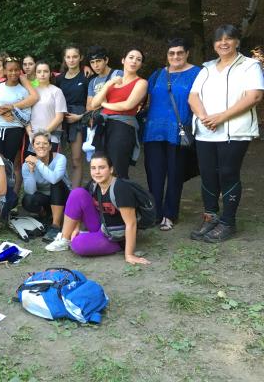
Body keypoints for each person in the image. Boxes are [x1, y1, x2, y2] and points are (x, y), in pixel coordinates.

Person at [188, 24, 264, 242]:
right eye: (219, 40)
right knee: (208, 174)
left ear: (237, 42)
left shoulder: (250, 66)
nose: (223, 43)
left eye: (228, 39)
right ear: (214, 44)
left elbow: (254, 97)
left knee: (228, 173)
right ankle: (210, 217)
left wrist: (220, 117)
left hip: (235, 131)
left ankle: (228, 222)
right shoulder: (207, 68)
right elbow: (193, 97)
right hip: (205, 132)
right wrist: (204, 117)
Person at [45, 152, 150, 266]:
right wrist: (75, 226)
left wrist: (129, 254)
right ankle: (65, 239)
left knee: (78, 244)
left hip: (116, 237)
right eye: (93, 168)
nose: (97, 172)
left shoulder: (120, 188)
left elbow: (131, 223)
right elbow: (79, 205)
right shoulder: (94, 184)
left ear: (111, 169)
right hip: (101, 225)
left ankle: (108, 244)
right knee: (77, 193)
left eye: (102, 167)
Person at [143, 39, 200, 231]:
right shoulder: (158, 74)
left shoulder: (197, 73)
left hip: (178, 132)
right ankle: (155, 213)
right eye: (171, 53)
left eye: (180, 53)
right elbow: (140, 91)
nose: (175, 56)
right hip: (153, 131)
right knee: (154, 175)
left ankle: (169, 214)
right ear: (167, 55)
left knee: (175, 174)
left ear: (187, 53)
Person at [90, 48, 148, 179]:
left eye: (138, 59)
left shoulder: (141, 83)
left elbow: (128, 105)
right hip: (104, 126)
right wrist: (108, 84)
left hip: (123, 126)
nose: (134, 61)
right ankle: (102, 199)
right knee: (100, 168)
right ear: (123, 60)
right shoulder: (113, 81)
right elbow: (94, 103)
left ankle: (120, 198)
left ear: (140, 64)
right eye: (131, 57)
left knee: (118, 168)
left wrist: (104, 104)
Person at [22, 132, 70, 241]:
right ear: (33, 147)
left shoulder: (60, 158)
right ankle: (46, 215)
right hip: (45, 198)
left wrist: (38, 163)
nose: (41, 146)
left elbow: (54, 179)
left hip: (63, 196)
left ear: (50, 146)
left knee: (56, 183)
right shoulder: (26, 164)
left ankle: (55, 226)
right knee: (27, 200)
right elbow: (30, 191)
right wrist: (31, 171)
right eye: (37, 143)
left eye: (45, 143)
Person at [0, 57, 35, 163]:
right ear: (4, 71)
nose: (13, 73)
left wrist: (13, 109)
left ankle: (9, 180)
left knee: (9, 161)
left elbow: (26, 118)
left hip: (14, 130)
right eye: (10, 70)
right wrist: (2, 112)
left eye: (16, 70)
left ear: (20, 71)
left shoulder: (24, 91)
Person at [56, 45, 90, 188]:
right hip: (61, 120)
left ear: (80, 58)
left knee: (76, 158)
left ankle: (76, 193)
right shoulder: (59, 79)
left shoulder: (86, 76)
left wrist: (80, 117)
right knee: (58, 158)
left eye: (75, 56)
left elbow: (92, 103)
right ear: (64, 59)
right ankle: (61, 192)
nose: (71, 60)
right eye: (68, 57)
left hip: (78, 120)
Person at [26, 60, 67, 152]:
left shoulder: (56, 91)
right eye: (39, 72)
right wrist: (30, 132)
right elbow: (25, 115)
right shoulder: (31, 92)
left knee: (50, 165)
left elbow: (59, 118)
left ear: (50, 73)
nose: (42, 74)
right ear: (35, 74)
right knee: (34, 165)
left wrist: (42, 134)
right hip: (33, 137)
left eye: (45, 71)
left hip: (51, 136)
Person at [86, 46, 123, 111]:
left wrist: (97, 103)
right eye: (92, 62)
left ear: (106, 60)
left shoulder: (118, 74)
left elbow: (121, 100)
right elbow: (89, 107)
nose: (95, 65)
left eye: (98, 61)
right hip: (99, 119)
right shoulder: (93, 82)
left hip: (116, 117)